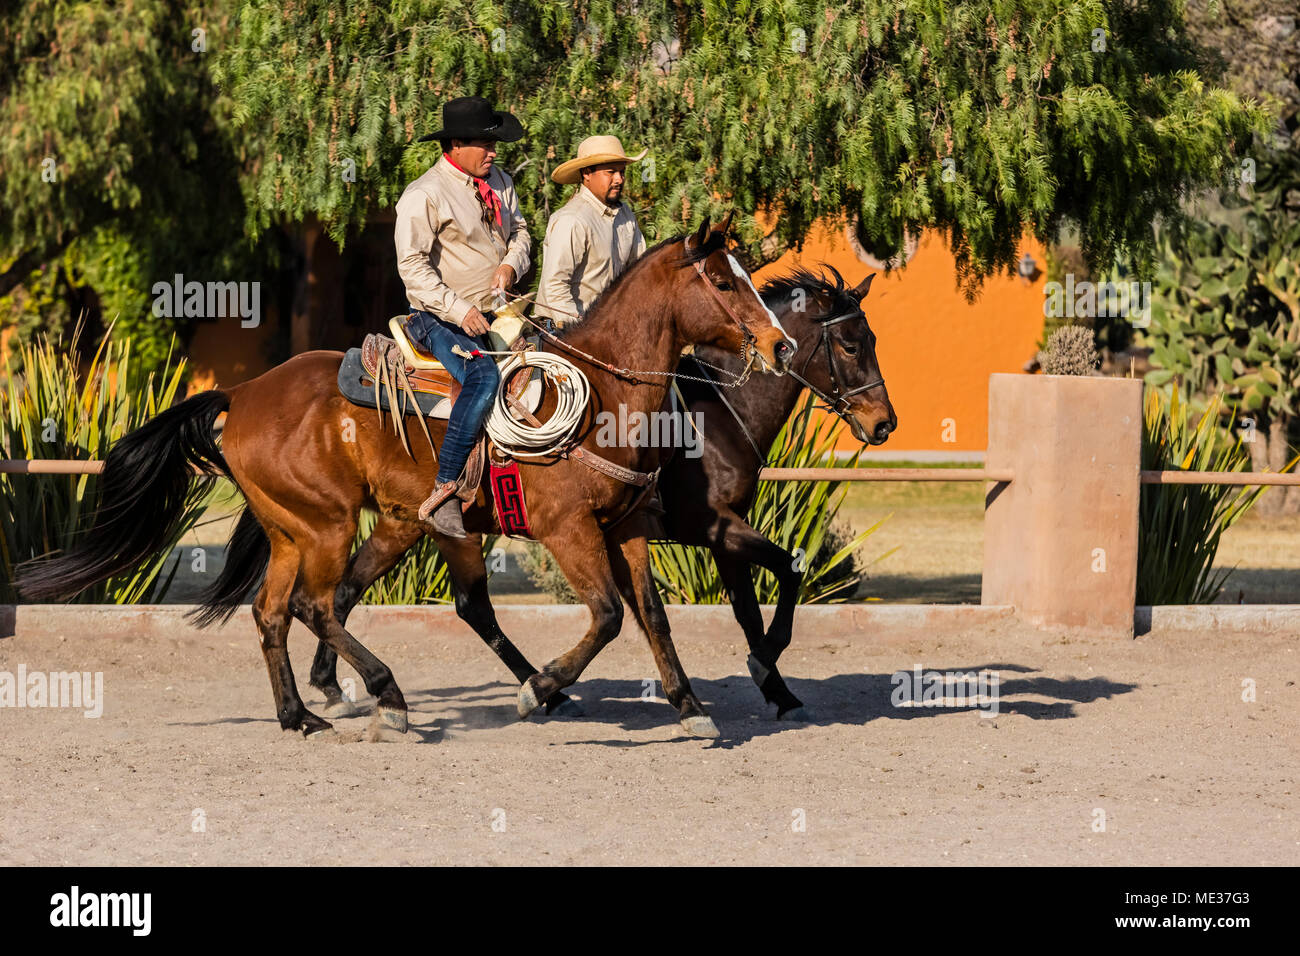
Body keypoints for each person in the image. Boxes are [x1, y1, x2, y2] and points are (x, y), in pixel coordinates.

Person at [394, 96, 531, 537]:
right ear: (455, 144)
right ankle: (445, 489)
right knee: (483, 378)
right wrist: (460, 308)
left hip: (500, 314)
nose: (494, 153)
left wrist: (512, 262)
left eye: (495, 145)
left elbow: (523, 231)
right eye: (485, 145)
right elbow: (412, 269)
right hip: (438, 320)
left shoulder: (502, 182)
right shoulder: (424, 194)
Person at [534, 135, 647, 327]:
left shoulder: (625, 214)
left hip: (608, 328)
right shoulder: (572, 220)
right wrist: (582, 330)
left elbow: (640, 270)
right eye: (611, 172)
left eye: (622, 172)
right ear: (587, 174)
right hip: (566, 330)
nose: (619, 179)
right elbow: (555, 286)